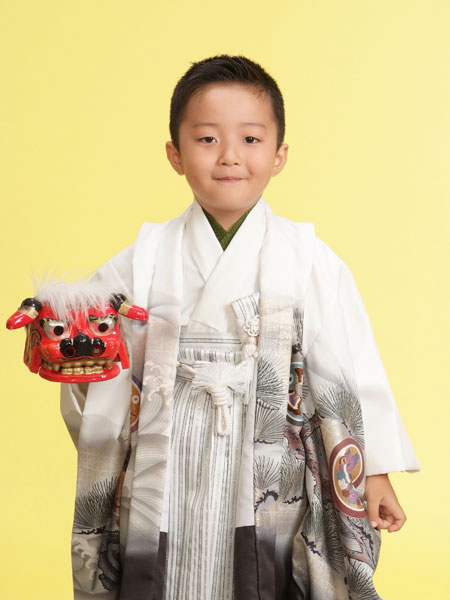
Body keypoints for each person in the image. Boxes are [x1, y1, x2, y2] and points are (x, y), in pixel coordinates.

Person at [60, 55, 420, 600]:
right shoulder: (144, 257)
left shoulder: (307, 258)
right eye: (207, 139)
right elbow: (93, 346)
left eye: (250, 139)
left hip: (269, 459)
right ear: (175, 154)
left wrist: (373, 472)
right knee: (167, 563)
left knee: (262, 567)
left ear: (279, 155)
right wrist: (68, 348)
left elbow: (350, 371)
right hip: (166, 456)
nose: (229, 155)